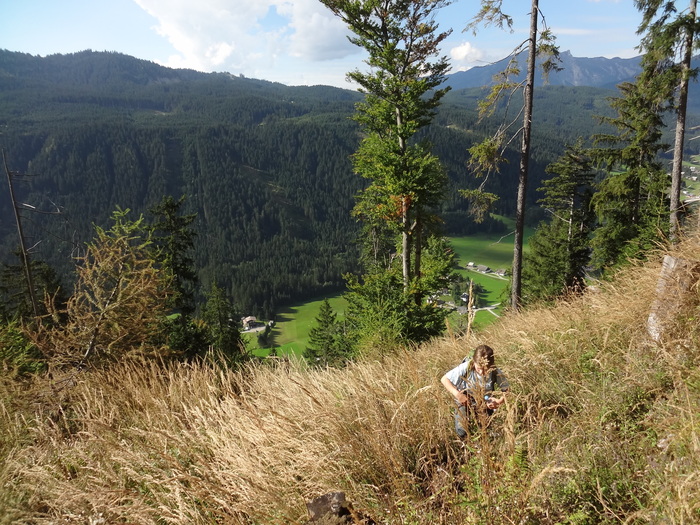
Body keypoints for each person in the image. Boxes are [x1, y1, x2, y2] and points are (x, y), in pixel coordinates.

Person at [440, 344, 509, 438]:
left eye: (485, 369)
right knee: (462, 429)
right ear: (474, 362)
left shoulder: (495, 371)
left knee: (485, 428)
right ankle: (466, 445)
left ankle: (484, 444)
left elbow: (506, 390)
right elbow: (444, 379)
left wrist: (499, 401)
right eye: (479, 368)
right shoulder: (466, 367)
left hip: (484, 400)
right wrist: (458, 395)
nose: (481, 372)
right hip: (464, 400)